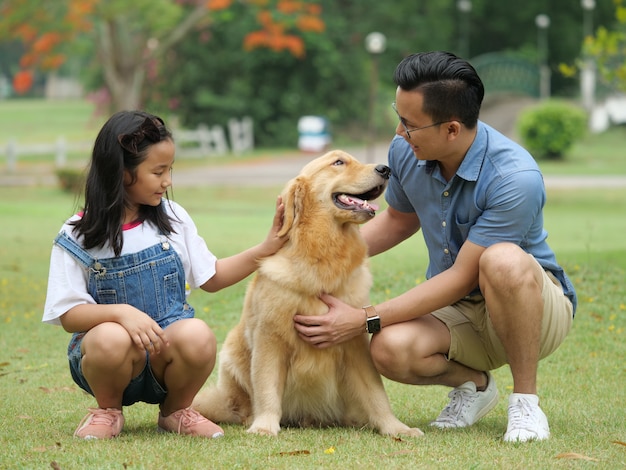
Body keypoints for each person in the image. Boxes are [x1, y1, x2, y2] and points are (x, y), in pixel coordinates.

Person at [293, 51, 576, 443]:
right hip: (459, 313)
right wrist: (314, 260)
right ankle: (476, 385)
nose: (398, 132)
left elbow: (462, 276)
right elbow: (398, 220)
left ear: (452, 130)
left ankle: (526, 403)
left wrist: (363, 318)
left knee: (502, 261)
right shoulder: (407, 152)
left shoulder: (516, 177)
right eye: (399, 116)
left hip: (533, 309)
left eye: (410, 124)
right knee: (389, 348)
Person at [43, 110, 285, 440]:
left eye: (169, 170)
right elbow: (69, 314)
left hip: (164, 355)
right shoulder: (78, 233)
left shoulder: (172, 219)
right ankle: (107, 411)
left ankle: (176, 411)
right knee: (109, 337)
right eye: (158, 171)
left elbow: (211, 276)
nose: (167, 181)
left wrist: (265, 249)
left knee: (198, 335)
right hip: (107, 360)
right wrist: (121, 314)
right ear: (122, 173)